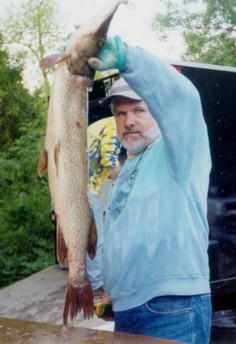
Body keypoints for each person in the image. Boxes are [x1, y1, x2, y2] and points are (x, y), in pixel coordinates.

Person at [87, 36, 212, 343]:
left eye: (139, 110)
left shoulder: (179, 153)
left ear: (158, 111)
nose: (128, 121)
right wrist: (110, 289)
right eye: (120, 113)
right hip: (127, 311)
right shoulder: (128, 165)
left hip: (173, 310)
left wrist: (128, 58)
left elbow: (184, 100)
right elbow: (119, 234)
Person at [86, 116, 121, 291]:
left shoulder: (105, 124)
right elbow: (109, 162)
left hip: (83, 187)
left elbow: (102, 166)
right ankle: (97, 283)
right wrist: (129, 181)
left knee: (93, 236)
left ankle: (96, 278)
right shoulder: (114, 127)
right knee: (95, 237)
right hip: (85, 190)